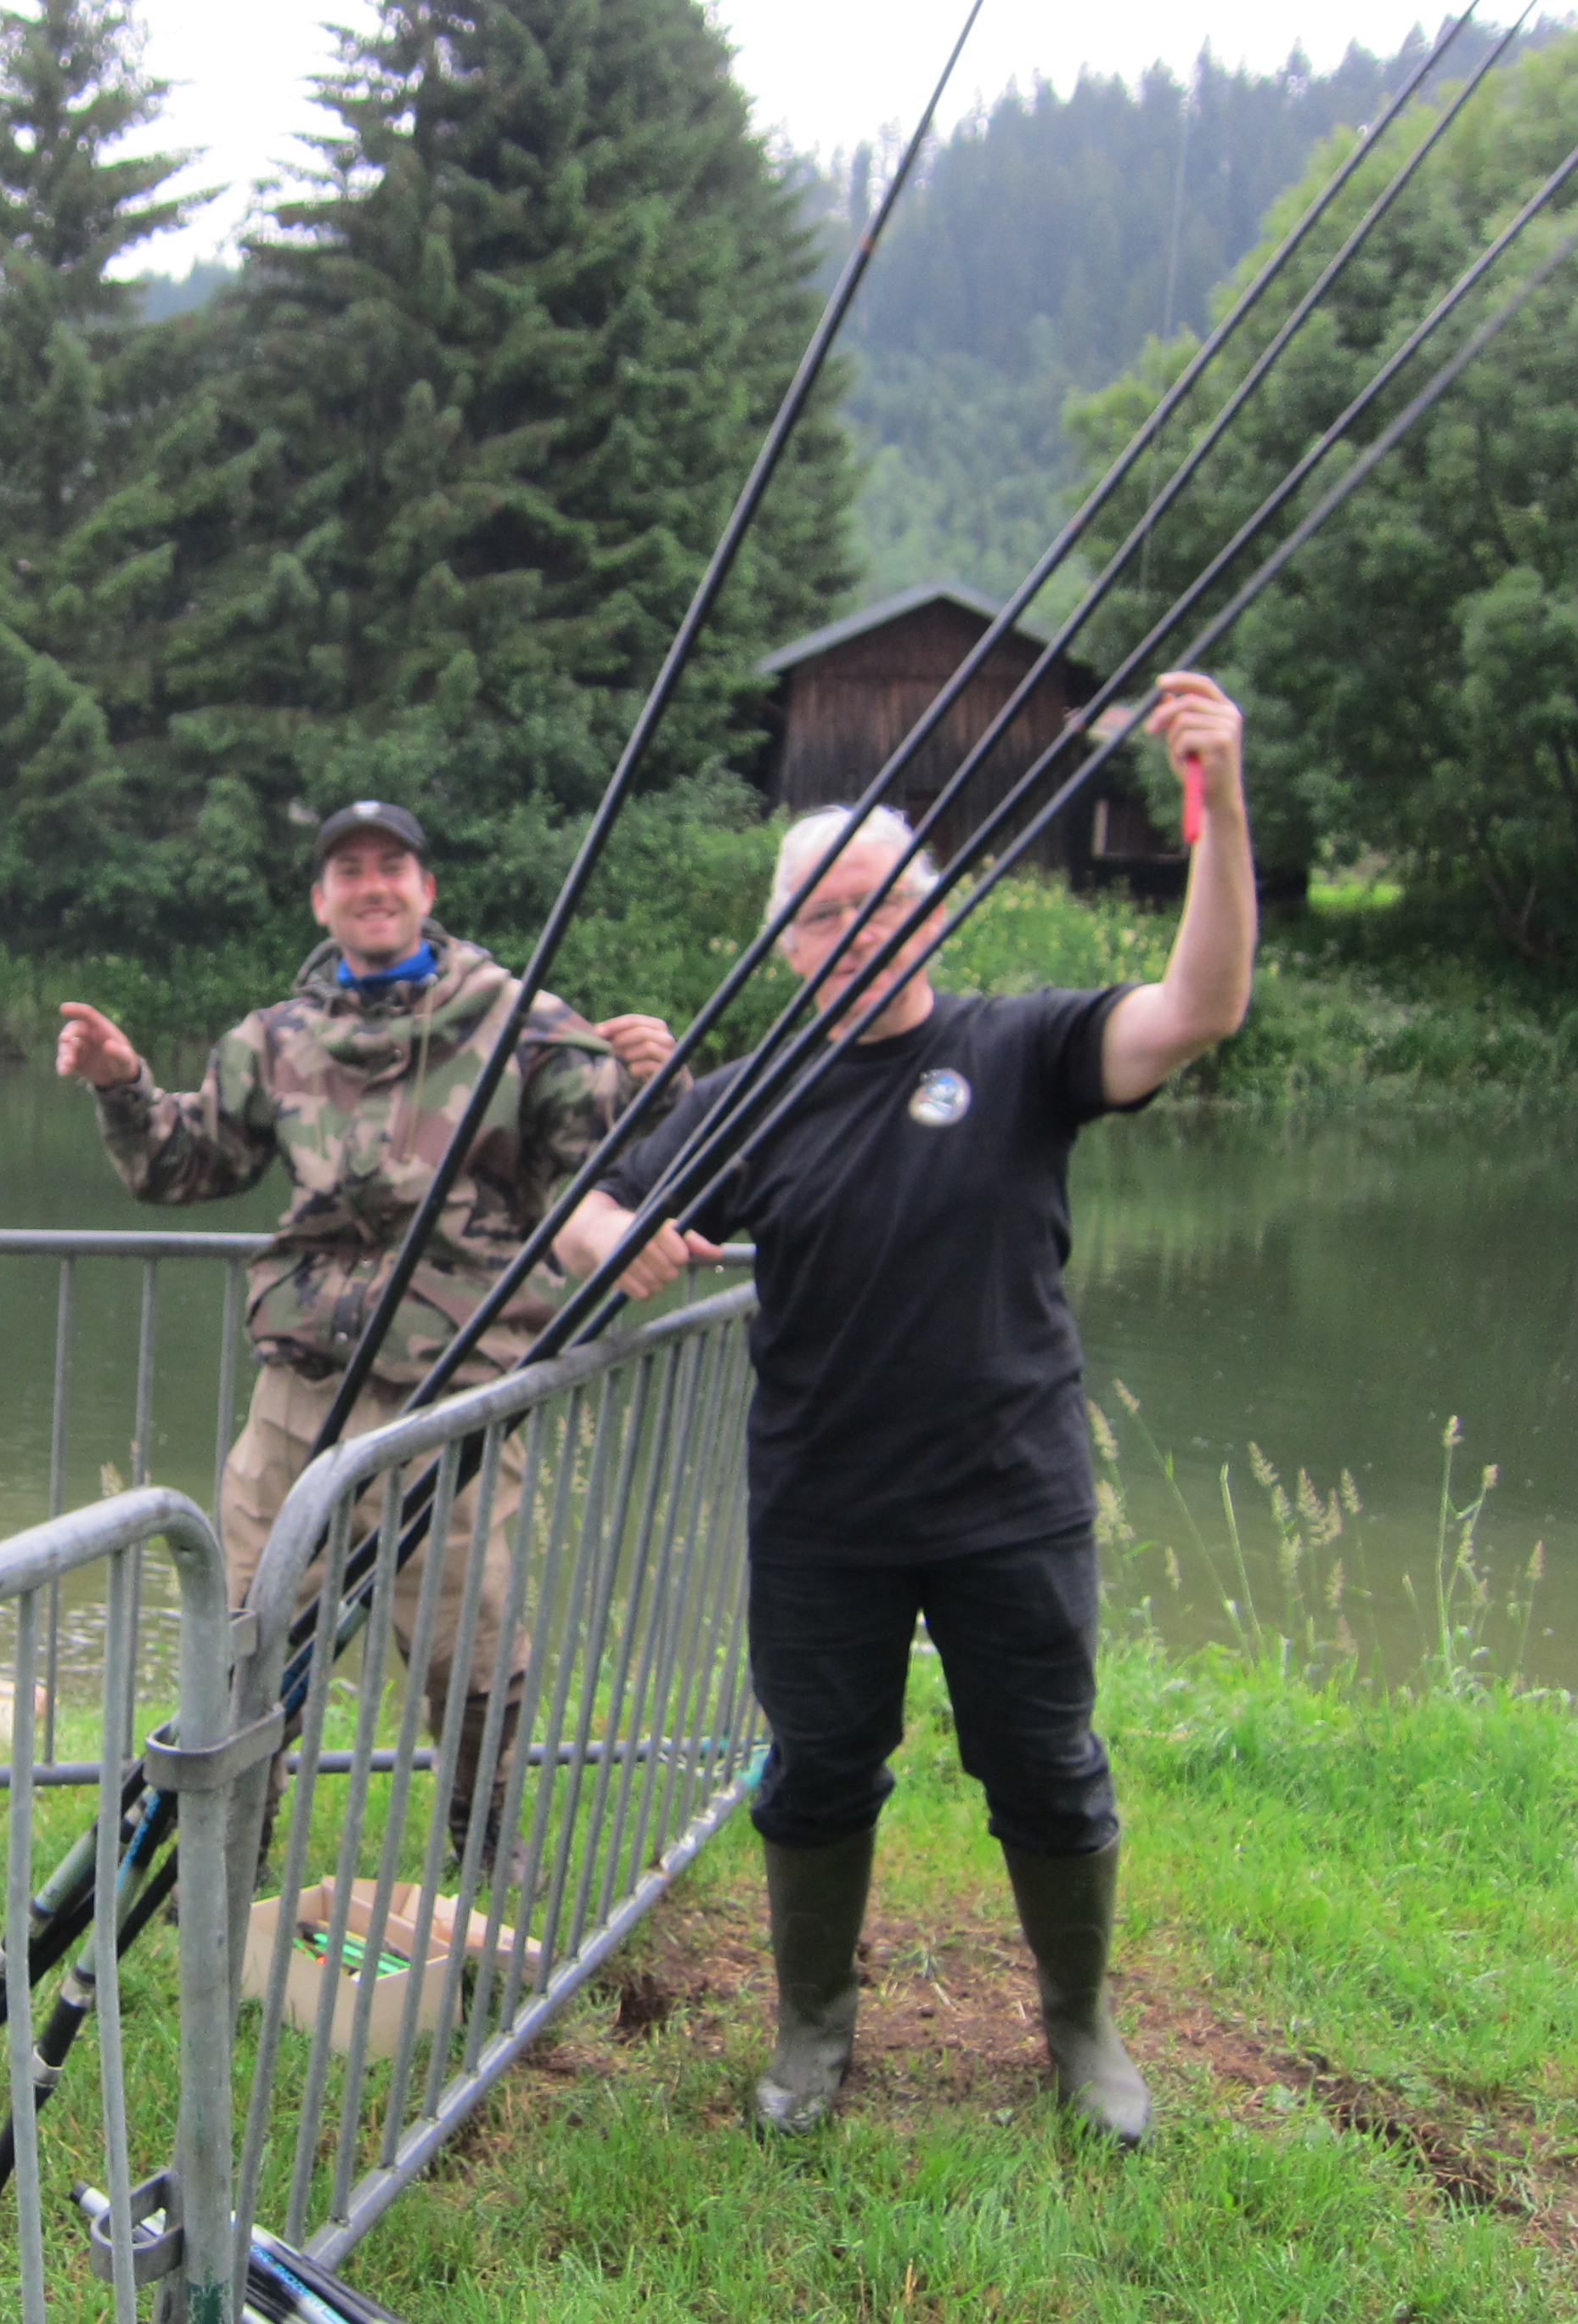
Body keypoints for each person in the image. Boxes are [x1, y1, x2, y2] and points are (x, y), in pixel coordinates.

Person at [555, 674, 1254, 2146]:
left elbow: (1200, 1008)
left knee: (1047, 1767)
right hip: (823, 1508)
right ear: (786, 944)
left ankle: (1079, 2025)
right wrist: (617, 1242)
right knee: (817, 1768)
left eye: (877, 902)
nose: (853, 931)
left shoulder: (1024, 1048)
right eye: (819, 914)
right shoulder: (747, 1098)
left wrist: (1223, 804)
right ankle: (812, 2027)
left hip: (1011, 1494)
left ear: (931, 916)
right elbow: (586, 1214)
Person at [57, 799, 677, 1860]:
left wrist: (658, 1083)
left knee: (465, 1643)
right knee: (248, 1631)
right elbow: (183, 1164)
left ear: (427, 891)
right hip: (301, 1388)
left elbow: (617, 1165)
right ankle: (229, 1857)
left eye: (394, 866)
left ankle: (483, 1837)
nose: (373, 885)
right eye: (349, 870)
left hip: (460, 1391)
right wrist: (123, 1086)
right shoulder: (274, 1041)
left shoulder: (523, 1022)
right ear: (320, 901)